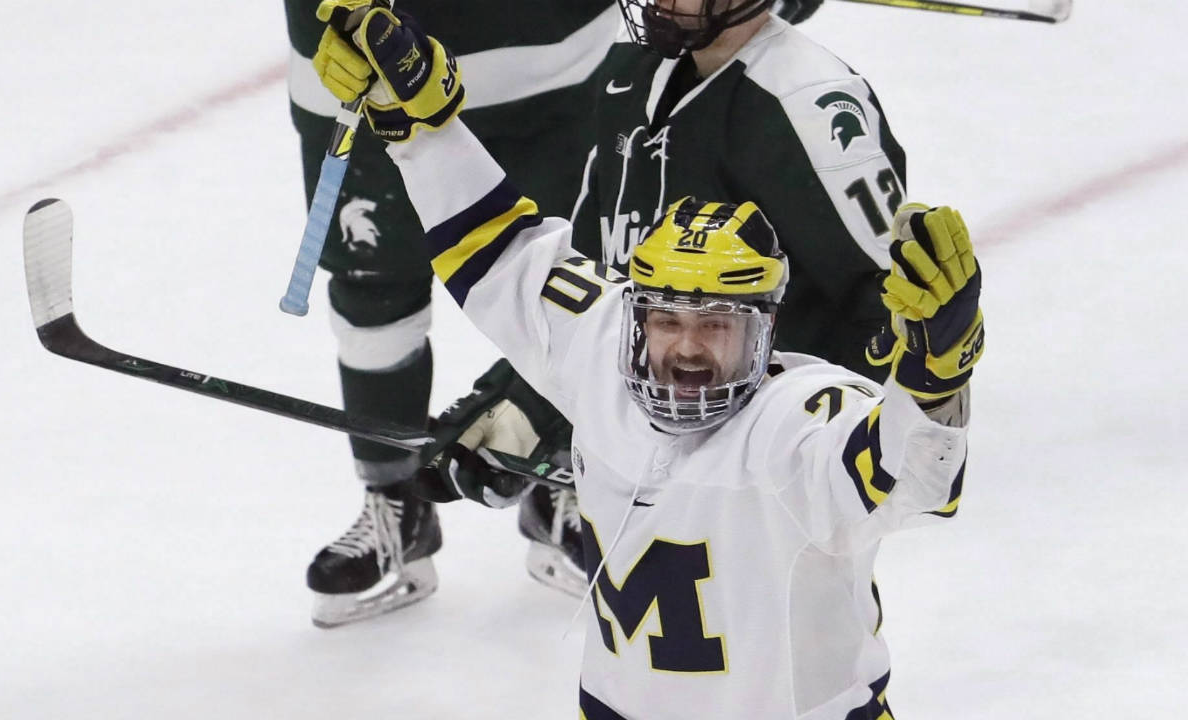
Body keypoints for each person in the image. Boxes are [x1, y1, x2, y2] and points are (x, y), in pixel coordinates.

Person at [309, 9, 982, 716]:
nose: (687, 345)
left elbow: (914, 468)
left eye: (718, 325)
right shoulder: (604, 336)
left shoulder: (797, 419)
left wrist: (930, 378)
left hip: (785, 510)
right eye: (668, 319)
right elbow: (514, 256)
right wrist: (418, 128)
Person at [284, 0, 828, 626]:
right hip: (367, 63)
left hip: (559, 62)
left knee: (581, 274)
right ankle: (392, 502)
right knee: (372, 284)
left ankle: (568, 479)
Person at [406, 0, 901, 609]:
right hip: (655, 452)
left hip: (765, 480)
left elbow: (888, 304)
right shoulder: (631, 68)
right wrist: (524, 397)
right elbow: (598, 272)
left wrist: (812, 454)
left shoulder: (805, 101)